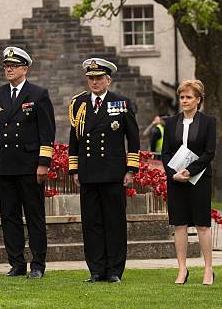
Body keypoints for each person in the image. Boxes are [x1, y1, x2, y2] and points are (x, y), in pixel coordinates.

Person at [0, 47, 56, 279]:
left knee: (34, 216)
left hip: (29, 166)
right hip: (5, 165)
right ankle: (16, 263)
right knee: (9, 216)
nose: (9, 69)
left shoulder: (38, 94)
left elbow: (47, 132)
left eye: (13, 65)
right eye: (6, 65)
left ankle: (37, 264)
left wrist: (43, 163)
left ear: (25, 68)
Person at [68, 58, 140, 283]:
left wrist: (131, 169)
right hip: (89, 172)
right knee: (92, 223)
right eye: (91, 78)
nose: (94, 82)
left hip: (113, 172)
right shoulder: (79, 104)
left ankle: (114, 270)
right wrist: (75, 170)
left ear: (108, 80)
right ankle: (96, 269)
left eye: (99, 78)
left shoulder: (121, 103)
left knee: (114, 222)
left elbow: (133, 138)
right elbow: (74, 140)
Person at [162, 79, 216, 285]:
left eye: (188, 97)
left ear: (198, 100)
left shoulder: (209, 122)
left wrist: (190, 170)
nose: (184, 101)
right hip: (176, 180)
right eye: (182, 97)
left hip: (200, 178)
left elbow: (209, 152)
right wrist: (173, 173)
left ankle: (208, 269)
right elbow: (165, 152)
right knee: (180, 224)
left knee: (202, 224)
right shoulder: (170, 122)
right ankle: (182, 269)